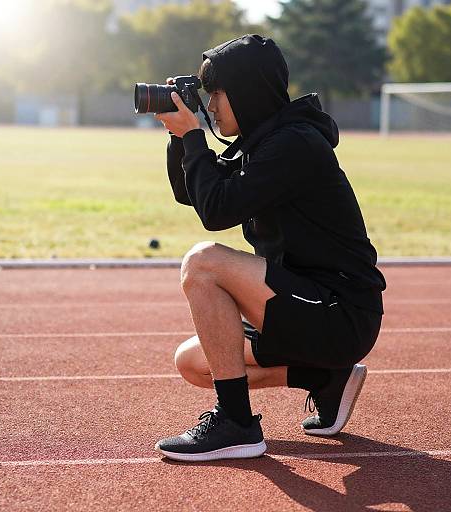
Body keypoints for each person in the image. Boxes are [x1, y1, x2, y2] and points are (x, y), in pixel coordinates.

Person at [153, 34, 386, 462]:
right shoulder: (263, 143)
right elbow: (193, 193)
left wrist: (193, 137)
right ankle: (323, 376)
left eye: (217, 93)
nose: (212, 105)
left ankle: (237, 424)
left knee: (203, 263)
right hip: (301, 303)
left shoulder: (294, 144)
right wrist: (178, 137)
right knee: (192, 361)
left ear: (247, 90)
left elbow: (216, 211)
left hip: (340, 311)